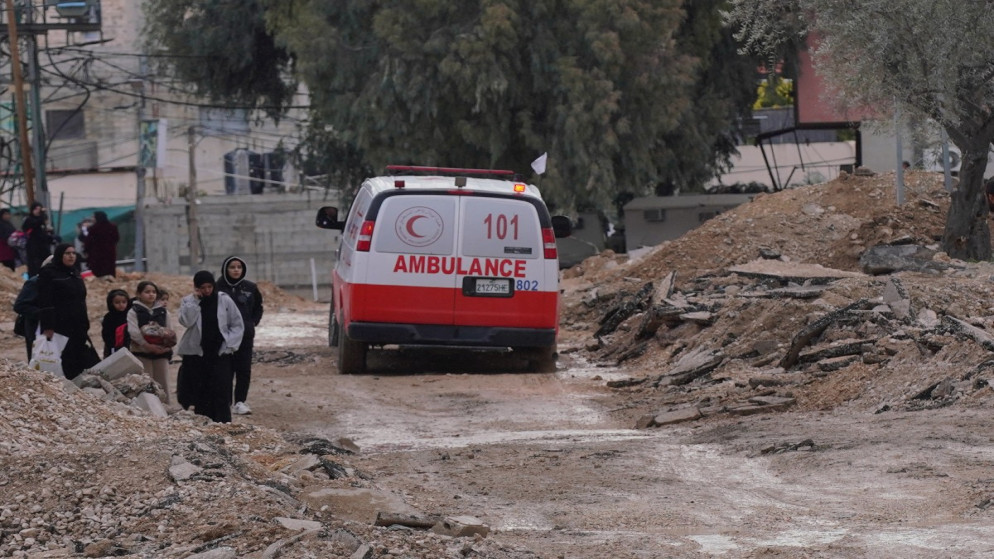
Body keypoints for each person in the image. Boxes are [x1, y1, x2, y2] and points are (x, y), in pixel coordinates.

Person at [177, 271, 244, 422]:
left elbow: (237, 324)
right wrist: (195, 301)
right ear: (196, 287)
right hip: (197, 355)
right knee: (201, 392)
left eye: (209, 286)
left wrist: (229, 345)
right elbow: (186, 321)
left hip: (220, 354)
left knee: (221, 389)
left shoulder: (224, 300)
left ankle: (223, 423)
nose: (207, 290)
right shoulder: (188, 301)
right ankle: (204, 423)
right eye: (203, 287)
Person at [36, 243, 98, 379]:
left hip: (78, 325)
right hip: (60, 327)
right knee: (66, 361)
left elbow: (80, 299)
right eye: (67, 253)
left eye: (73, 253)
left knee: (88, 361)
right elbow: (45, 301)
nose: (71, 256)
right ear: (59, 255)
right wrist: (48, 326)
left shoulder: (74, 272)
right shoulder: (49, 273)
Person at [216, 255, 264, 415]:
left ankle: (240, 401)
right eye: (232, 267)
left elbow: (258, 307)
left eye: (239, 267)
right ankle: (226, 401)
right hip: (225, 337)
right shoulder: (217, 288)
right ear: (225, 269)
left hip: (245, 337)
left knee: (243, 370)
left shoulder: (250, 287)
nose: (236, 270)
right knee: (226, 370)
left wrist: (252, 323)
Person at [128, 281, 174, 403]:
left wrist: (167, 347)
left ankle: (165, 411)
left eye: (153, 292)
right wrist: (146, 345)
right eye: (147, 292)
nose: (151, 295)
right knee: (145, 384)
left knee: (162, 384)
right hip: (141, 353)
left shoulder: (163, 312)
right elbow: (133, 332)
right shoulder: (134, 311)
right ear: (139, 294)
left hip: (161, 354)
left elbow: (170, 331)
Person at [83, 211, 119, 278]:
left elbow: (88, 242)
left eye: (93, 217)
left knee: (98, 273)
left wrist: (86, 250)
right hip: (110, 253)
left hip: (97, 255)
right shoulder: (113, 227)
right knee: (109, 271)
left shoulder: (93, 229)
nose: (92, 219)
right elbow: (116, 238)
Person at [23, 202, 53, 277]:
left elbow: (44, 234)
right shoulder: (29, 220)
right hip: (34, 248)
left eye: (39, 209)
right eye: (36, 209)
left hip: (43, 248)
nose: (38, 211)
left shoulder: (42, 221)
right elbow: (35, 224)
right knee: (35, 267)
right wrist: (42, 215)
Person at [101, 289, 131, 358]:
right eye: (117, 302)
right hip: (113, 348)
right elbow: (106, 335)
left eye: (124, 302)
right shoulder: (109, 317)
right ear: (111, 303)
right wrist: (113, 346)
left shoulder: (130, 315)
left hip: (129, 347)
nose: (121, 305)